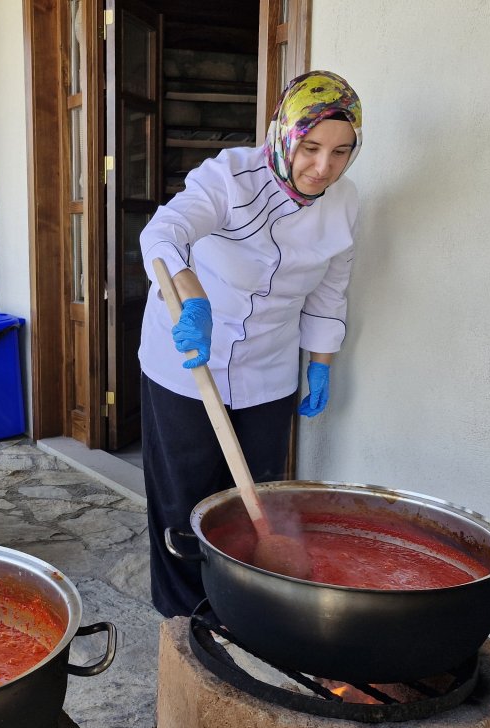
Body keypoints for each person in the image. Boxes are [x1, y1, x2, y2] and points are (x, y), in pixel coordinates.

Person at [138, 71, 364, 617]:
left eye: (340, 152)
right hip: (189, 357)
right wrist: (191, 298)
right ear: (282, 135)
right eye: (310, 147)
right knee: (183, 497)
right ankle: (183, 620)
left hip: (270, 368)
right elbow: (162, 235)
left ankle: (243, 607)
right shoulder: (228, 178)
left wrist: (321, 363)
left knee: (258, 498)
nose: (322, 167)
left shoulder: (346, 202)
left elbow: (330, 292)